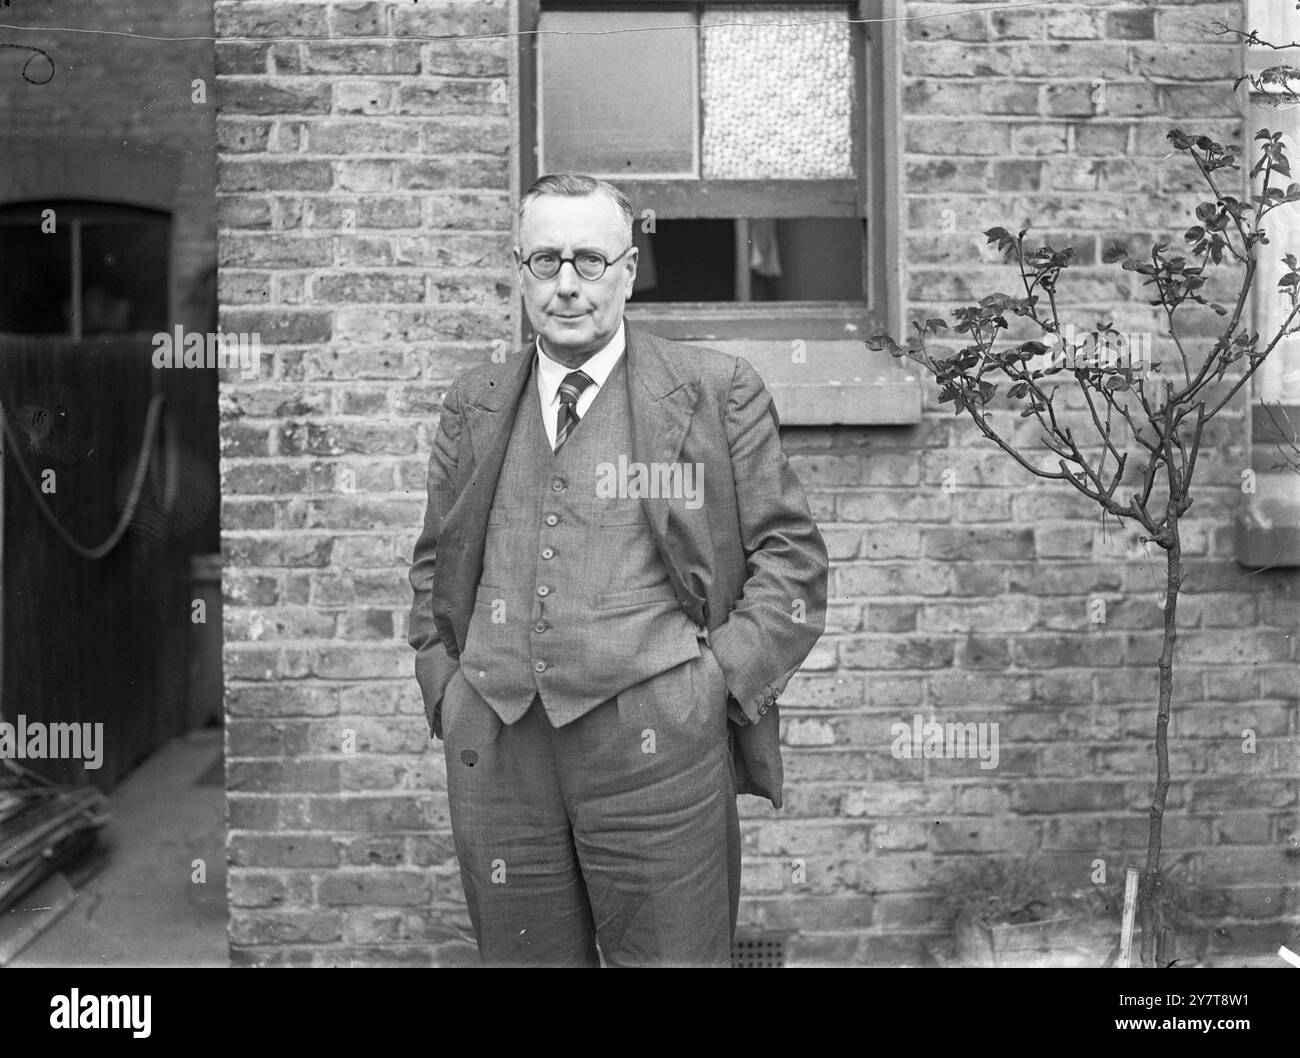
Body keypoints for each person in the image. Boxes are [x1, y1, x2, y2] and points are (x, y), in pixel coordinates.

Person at [407, 172, 828, 967]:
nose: (567, 286)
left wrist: (709, 691)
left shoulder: (711, 390)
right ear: (520, 270)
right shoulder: (475, 401)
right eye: (544, 262)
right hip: (497, 754)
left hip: (658, 753)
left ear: (628, 272)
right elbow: (436, 563)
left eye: (589, 262)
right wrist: (449, 688)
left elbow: (792, 561)